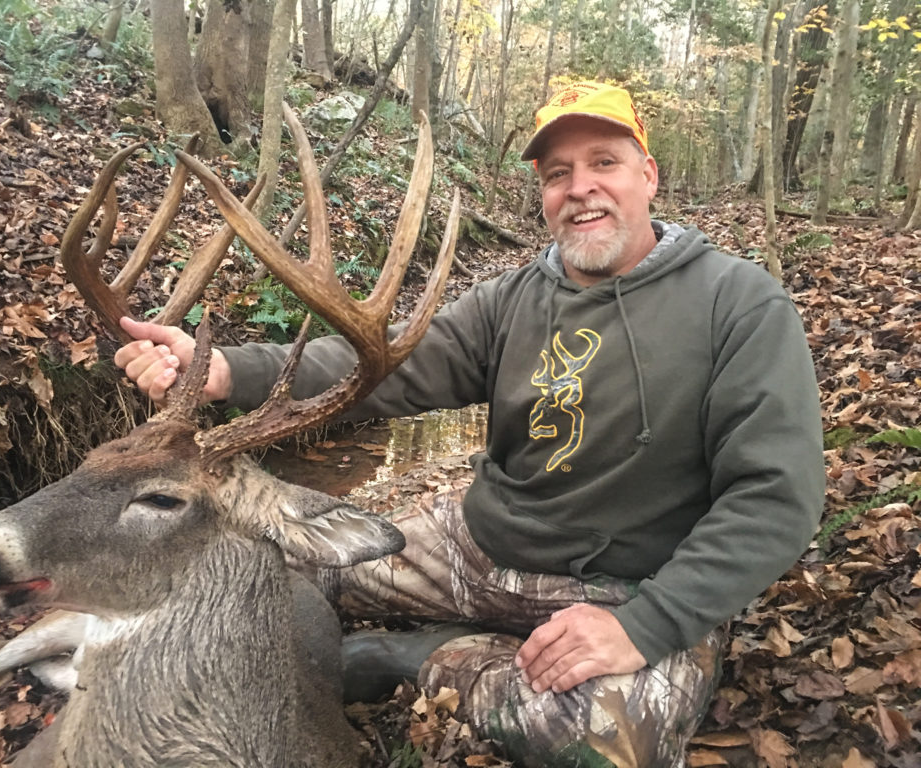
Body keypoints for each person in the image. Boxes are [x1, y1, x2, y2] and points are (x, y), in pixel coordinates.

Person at [114, 82, 825, 767]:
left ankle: (422, 658)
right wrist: (228, 372)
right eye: (558, 173)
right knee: (262, 559)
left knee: (604, 742)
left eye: (604, 163)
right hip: (476, 545)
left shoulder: (740, 305)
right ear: (544, 195)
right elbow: (386, 368)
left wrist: (647, 626)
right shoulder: (510, 300)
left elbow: (774, 497)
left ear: (648, 176)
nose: (580, 187)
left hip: (631, 585)